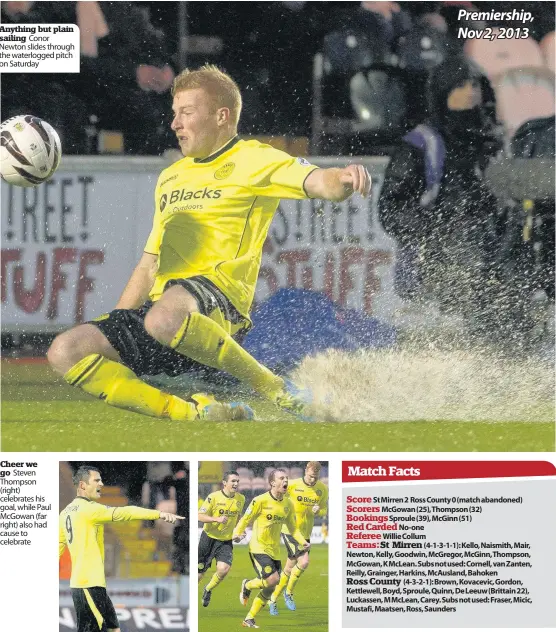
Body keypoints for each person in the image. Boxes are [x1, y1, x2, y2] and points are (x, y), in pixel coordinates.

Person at [47, 64, 371, 422]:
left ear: (221, 116)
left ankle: (275, 388)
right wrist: (123, 324)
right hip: (165, 315)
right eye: (174, 114)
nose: (175, 124)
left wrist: (342, 179)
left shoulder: (253, 158)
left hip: (220, 306)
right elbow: (149, 263)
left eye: (186, 112)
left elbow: (316, 180)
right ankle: (192, 413)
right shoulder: (171, 177)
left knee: (165, 316)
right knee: (65, 350)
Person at [378, 55, 501, 332]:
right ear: (443, 92)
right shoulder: (420, 143)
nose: (471, 93)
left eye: (474, 85)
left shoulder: (493, 142)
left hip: (487, 265)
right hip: (432, 271)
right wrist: (438, 230)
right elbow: (390, 210)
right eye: (460, 86)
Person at [59, 465, 183, 632]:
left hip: (82, 584)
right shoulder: (90, 509)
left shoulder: (66, 512)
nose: (101, 484)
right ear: (82, 485)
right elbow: (126, 512)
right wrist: (157, 514)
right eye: (96, 480)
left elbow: (58, 548)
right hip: (90, 584)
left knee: (103, 628)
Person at [233, 468, 308, 628]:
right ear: (272, 483)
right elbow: (246, 519)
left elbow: (293, 528)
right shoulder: (260, 500)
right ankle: (247, 585)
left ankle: (249, 618)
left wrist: (302, 541)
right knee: (272, 580)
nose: (285, 481)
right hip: (258, 547)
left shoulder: (288, 503)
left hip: (275, 551)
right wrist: (237, 533)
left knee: (270, 587)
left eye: (286, 478)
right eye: (281, 478)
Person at [269, 461, 328, 615]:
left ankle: (273, 599)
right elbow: (277, 497)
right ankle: (288, 593)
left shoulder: (322, 489)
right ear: (305, 471)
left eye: (315, 477)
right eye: (310, 476)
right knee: (304, 561)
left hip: (306, 533)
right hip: (290, 530)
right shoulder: (292, 485)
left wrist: (319, 510)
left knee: (289, 568)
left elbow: (324, 509)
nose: (312, 480)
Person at [198, 471, 245, 607]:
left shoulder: (240, 499)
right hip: (208, 539)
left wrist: (239, 533)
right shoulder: (213, 497)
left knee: (223, 569)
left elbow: (239, 518)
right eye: (233, 481)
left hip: (225, 541)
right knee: (199, 575)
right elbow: (199, 516)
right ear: (225, 483)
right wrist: (216, 519)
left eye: (237, 481)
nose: (236, 484)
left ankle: (208, 589)